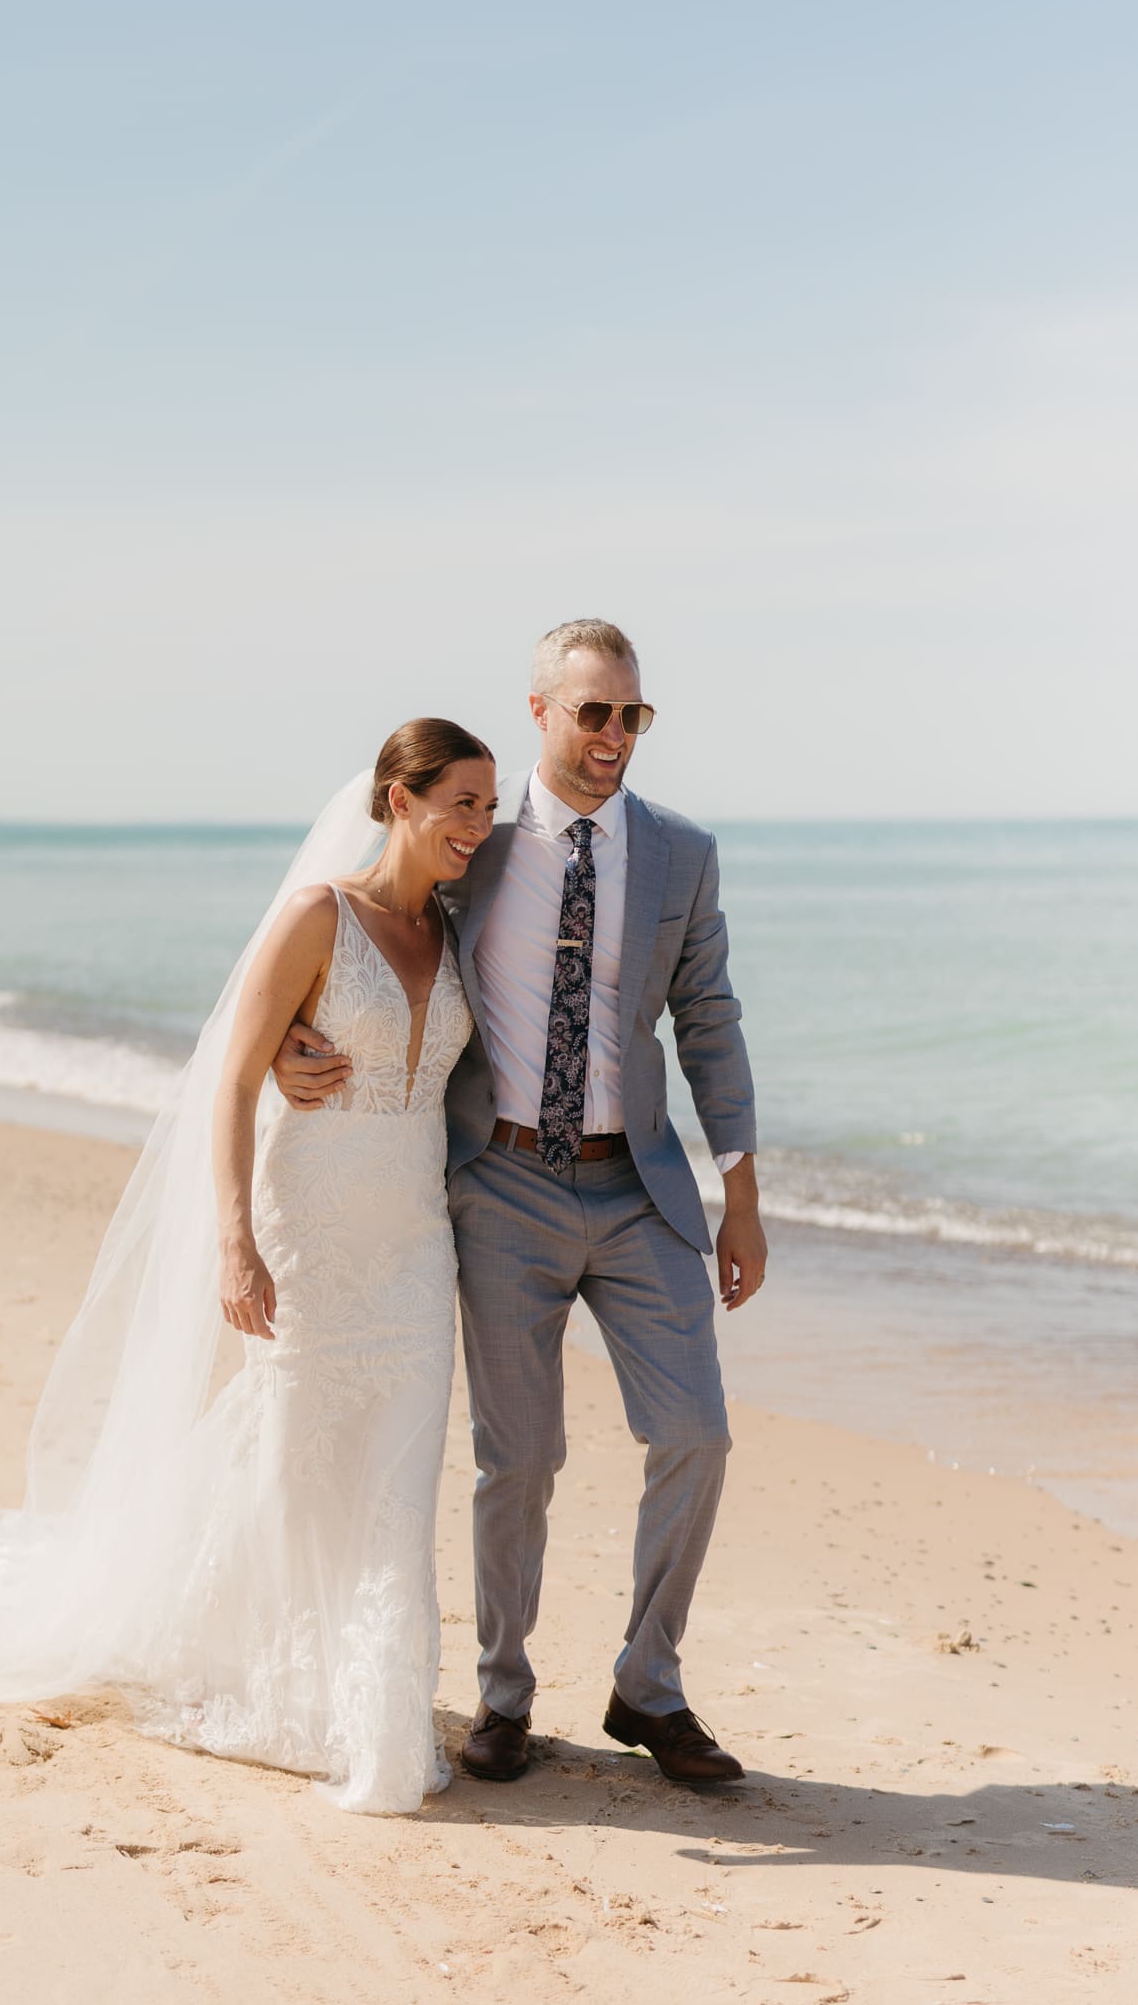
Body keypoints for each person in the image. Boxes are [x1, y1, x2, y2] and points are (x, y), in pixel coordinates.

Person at [0, 719, 499, 1817]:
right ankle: (255, 1666)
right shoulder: (319, 916)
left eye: (491, 809)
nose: (480, 828)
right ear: (399, 800)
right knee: (297, 1464)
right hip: (307, 1224)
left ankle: (378, 1714)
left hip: (412, 1242)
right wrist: (233, 1237)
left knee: (398, 1481)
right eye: (463, 803)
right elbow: (229, 1078)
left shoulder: (455, 931)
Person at [274, 620, 766, 1786]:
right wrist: (299, 1033)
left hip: (638, 1185)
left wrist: (740, 1190)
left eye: (631, 716)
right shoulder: (472, 844)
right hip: (500, 1184)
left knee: (696, 1430)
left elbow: (710, 1019)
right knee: (520, 1457)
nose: (612, 737)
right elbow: (367, 921)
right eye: (593, 712)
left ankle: (650, 1686)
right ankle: (503, 1693)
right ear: (541, 708)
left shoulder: (683, 854)